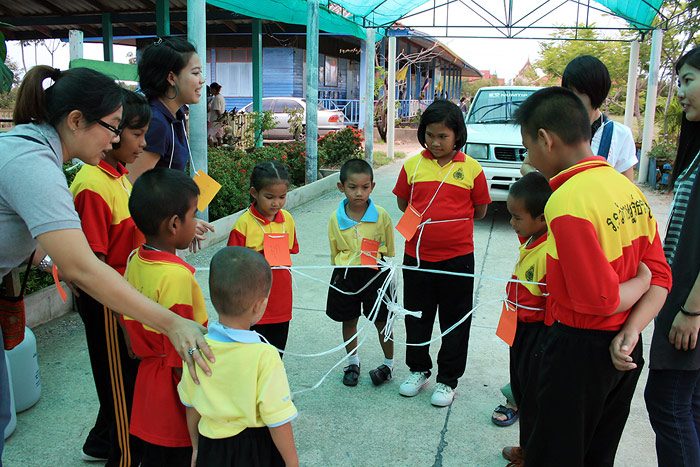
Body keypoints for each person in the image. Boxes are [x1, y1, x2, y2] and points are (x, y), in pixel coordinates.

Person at [0, 66, 212, 462]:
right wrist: (171, 321)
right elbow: (82, 267)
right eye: (113, 127)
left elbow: (43, 246)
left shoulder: (39, 156)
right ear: (76, 121)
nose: (115, 139)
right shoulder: (34, 164)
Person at [514, 87, 671, 466]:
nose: (528, 158)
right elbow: (663, 274)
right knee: (598, 453)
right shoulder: (626, 188)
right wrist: (633, 329)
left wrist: (638, 283)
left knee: (556, 455)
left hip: (578, 351)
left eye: (527, 147)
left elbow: (598, 300)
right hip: (625, 351)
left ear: (545, 139)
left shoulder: (567, 202)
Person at [69, 89, 150, 465]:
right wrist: (121, 311)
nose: (142, 143)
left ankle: (100, 443)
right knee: (120, 385)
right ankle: (123, 455)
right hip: (107, 304)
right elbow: (90, 265)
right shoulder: (92, 185)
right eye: (136, 134)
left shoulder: (117, 176)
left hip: (122, 298)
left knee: (123, 380)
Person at [392, 99, 491, 407]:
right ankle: (418, 369)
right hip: (418, 258)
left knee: (455, 320)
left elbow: (481, 210)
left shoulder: (471, 168)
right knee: (417, 316)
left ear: (457, 135)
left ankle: (448, 380)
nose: (436, 142)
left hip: (458, 259)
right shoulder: (412, 165)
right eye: (431, 135)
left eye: (443, 136)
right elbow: (402, 203)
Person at [178, 246, 299, 467]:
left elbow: (191, 404)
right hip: (253, 449)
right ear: (260, 306)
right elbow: (277, 419)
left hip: (210, 446)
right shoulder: (265, 355)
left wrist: (196, 447)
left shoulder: (196, 348)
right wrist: (292, 463)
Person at [121, 168, 208, 466]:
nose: (197, 222)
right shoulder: (176, 276)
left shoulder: (134, 258)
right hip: (174, 395)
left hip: (146, 386)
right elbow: (183, 352)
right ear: (173, 224)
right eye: (194, 214)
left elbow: (126, 321)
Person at [645, 46, 700, 467]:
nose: (680, 91)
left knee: (667, 401)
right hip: (680, 297)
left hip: (689, 304)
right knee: (690, 405)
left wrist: (691, 310)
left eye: (688, 80)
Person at [126, 36, 213, 252]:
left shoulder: (175, 115)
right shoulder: (155, 122)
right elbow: (131, 189)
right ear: (171, 78)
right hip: (145, 244)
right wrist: (175, 225)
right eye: (195, 73)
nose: (202, 80)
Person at [493, 172, 551, 464]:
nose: (512, 224)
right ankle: (525, 447)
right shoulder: (531, 239)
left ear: (542, 218)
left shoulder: (548, 252)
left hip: (535, 333)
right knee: (521, 387)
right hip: (518, 326)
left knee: (532, 396)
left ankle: (533, 454)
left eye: (517, 218)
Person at [326, 158, 396, 387]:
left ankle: (389, 364)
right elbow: (335, 250)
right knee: (348, 319)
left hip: (375, 273)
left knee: (382, 320)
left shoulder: (382, 215)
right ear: (341, 187)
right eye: (352, 187)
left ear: (372, 187)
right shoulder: (335, 218)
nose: (359, 193)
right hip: (346, 274)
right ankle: (352, 362)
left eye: (365, 187)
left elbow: (388, 247)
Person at [521, 56, 637, 181]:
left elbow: (627, 185)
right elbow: (526, 166)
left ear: (596, 92)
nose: (570, 99)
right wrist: (549, 183)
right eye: (568, 91)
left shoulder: (619, 134)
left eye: (578, 93)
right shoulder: (555, 125)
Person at [227, 161, 299, 355]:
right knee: (252, 357)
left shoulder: (288, 220)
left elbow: (291, 250)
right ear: (254, 192)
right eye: (269, 197)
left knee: (276, 355)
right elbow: (231, 266)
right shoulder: (243, 225)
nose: (276, 203)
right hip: (253, 304)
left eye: (282, 197)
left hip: (281, 301)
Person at [207, 82, 225, 147]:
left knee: (209, 136)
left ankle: (212, 151)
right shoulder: (221, 97)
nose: (210, 91)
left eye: (211, 90)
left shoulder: (216, 98)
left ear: (214, 89)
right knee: (219, 136)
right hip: (220, 121)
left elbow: (218, 110)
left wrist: (220, 118)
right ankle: (220, 150)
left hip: (215, 120)